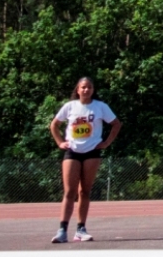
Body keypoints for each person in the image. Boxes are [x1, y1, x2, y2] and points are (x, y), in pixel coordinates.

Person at [49, 77, 121, 243]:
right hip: (72, 151)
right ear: (78, 90)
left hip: (92, 151)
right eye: (83, 87)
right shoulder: (70, 106)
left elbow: (116, 124)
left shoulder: (100, 107)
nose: (86, 90)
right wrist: (60, 142)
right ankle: (62, 230)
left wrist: (106, 143)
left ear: (93, 90)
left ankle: (81, 229)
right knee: (69, 191)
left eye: (89, 87)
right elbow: (54, 125)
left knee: (84, 191)